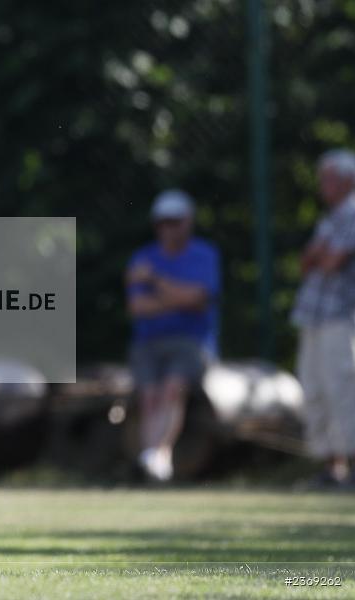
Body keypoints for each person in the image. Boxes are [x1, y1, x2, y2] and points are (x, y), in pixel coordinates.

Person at [126, 190, 221, 482]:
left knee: (172, 389)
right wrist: (178, 295)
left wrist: (155, 281)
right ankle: (153, 458)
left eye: (175, 221)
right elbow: (137, 307)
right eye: (163, 222)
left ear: (188, 222)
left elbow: (198, 298)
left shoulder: (203, 255)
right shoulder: (142, 256)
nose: (169, 228)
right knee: (149, 396)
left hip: (191, 342)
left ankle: (156, 455)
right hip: (148, 342)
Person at [291, 149, 355, 488]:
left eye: (330, 178)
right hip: (312, 316)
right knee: (314, 389)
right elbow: (306, 264)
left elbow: (332, 262)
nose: (323, 185)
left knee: (344, 389)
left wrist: (320, 255)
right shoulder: (329, 219)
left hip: (341, 317)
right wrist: (319, 255)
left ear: (349, 180)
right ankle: (332, 467)